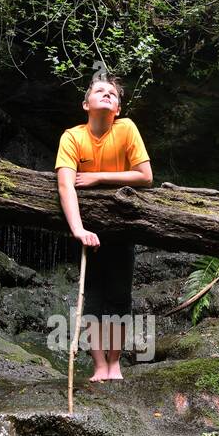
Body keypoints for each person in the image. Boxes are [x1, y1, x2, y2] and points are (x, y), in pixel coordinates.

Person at [55, 74, 153, 380]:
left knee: (119, 295)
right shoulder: (72, 137)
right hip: (88, 224)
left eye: (113, 93)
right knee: (93, 296)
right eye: (99, 90)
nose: (107, 94)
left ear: (118, 109)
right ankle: (99, 366)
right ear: (86, 104)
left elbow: (145, 176)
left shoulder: (126, 128)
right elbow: (66, 186)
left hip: (121, 223)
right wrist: (78, 229)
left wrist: (99, 177)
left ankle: (115, 363)